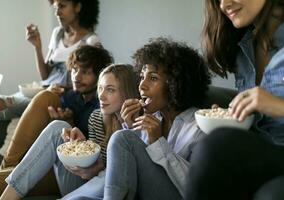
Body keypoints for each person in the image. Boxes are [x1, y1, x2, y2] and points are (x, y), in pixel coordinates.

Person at [184, 0, 284, 200]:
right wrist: (229, 115)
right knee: (214, 146)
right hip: (264, 154)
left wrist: (277, 106)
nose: (224, 4)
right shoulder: (244, 49)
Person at [0, 45, 113, 200]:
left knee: (59, 126)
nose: (77, 77)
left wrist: (68, 125)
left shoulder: (104, 106)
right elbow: (38, 110)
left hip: (79, 173)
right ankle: (8, 166)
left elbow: (100, 153)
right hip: (55, 163)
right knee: (47, 97)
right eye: (74, 70)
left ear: (100, 77)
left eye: (85, 72)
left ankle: (8, 170)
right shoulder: (72, 96)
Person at [0, 64, 139, 200]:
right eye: (100, 88)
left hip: (111, 191)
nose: (101, 96)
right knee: (58, 127)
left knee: (105, 177)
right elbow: (93, 172)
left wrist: (132, 128)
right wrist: (82, 149)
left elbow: (130, 175)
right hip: (88, 185)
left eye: (110, 90)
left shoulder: (139, 125)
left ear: (127, 93)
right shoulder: (96, 118)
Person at [103, 38, 211, 200]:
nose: (141, 86)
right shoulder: (153, 119)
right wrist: (134, 130)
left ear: (177, 84)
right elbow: (134, 174)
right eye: (142, 76)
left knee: (122, 138)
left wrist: (158, 142)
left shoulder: (199, 125)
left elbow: (197, 189)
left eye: (153, 78)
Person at [0, 0, 101, 120]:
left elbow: (92, 82)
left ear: (78, 6)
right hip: (43, 89)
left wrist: (63, 89)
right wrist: (37, 46)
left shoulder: (91, 41)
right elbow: (45, 76)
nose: (57, 13)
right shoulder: (57, 33)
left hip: (60, 97)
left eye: (62, 6)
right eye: (56, 7)